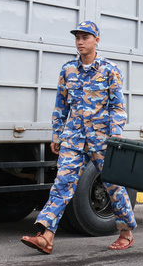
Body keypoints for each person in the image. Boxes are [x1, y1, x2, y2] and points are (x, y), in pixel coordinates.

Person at [20, 21, 136, 254]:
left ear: (97, 40)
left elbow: (118, 108)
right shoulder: (68, 70)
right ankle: (46, 236)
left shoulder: (109, 70)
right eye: (77, 38)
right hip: (74, 137)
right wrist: (57, 134)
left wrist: (115, 137)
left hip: (102, 138)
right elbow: (61, 105)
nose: (80, 42)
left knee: (113, 184)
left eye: (85, 37)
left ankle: (125, 232)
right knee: (62, 182)